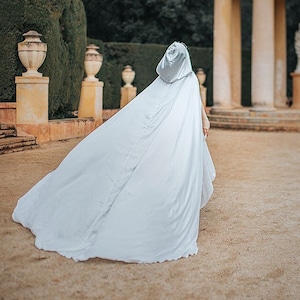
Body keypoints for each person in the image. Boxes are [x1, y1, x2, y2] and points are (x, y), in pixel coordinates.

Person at [12, 41, 215, 263]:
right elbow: (192, 105)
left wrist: (203, 120)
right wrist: (203, 121)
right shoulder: (185, 80)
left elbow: (191, 104)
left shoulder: (167, 83)